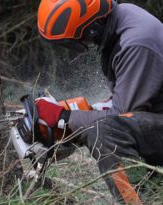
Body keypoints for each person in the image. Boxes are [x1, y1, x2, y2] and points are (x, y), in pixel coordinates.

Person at [36, 0, 163, 204]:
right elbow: (128, 102)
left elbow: (122, 118)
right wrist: (72, 112)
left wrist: (64, 118)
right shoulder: (122, 19)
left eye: (76, 39)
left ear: (92, 28)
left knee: (105, 131)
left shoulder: (135, 44)